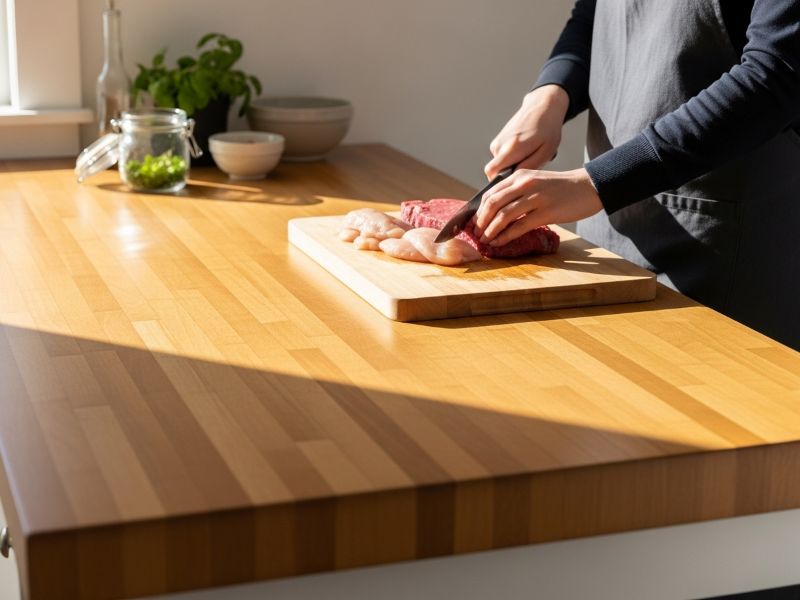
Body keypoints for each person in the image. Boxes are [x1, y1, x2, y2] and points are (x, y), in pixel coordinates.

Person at [475, 0, 800, 351]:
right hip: (603, 236)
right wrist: (551, 94)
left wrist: (597, 182)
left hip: (721, 251)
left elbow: (778, 73)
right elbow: (591, 16)